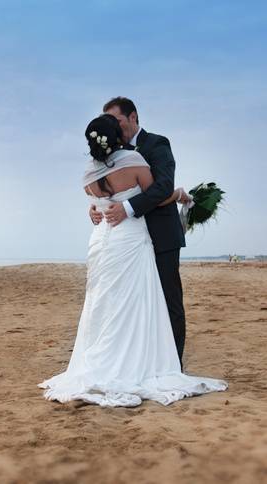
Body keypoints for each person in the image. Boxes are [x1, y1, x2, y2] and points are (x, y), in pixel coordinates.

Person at [39, 114, 227, 407]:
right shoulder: (133, 161)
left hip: (101, 241)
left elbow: (97, 202)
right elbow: (158, 194)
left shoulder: (88, 173)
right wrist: (180, 195)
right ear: (116, 136)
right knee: (135, 301)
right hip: (129, 239)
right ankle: (136, 362)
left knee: (102, 302)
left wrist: (95, 208)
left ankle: (100, 360)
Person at [90, 97, 188, 367]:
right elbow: (106, 191)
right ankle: (143, 359)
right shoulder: (110, 154)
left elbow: (163, 186)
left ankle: (174, 365)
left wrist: (128, 208)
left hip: (161, 235)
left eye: (118, 121)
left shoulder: (157, 143)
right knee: (136, 302)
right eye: (109, 123)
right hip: (128, 241)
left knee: (169, 302)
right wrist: (96, 208)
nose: (115, 127)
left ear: (133, 117)